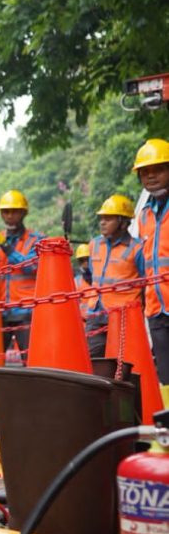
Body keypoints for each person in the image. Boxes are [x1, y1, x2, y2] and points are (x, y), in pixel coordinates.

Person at [0, 189, 43, 375]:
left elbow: (31, 267)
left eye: (14, 211)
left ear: (23, 213)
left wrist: (5, 246)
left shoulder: (36, 240)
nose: (10, 216)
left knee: (32, 361)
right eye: (5, 212)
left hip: (25, 309)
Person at [85, 195, 143, 357]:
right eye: (102, 218)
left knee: (123, 361)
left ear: (123, 223)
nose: (102, 222)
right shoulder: (94, 244)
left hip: (123, 315)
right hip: (96, 311)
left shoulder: (137, 249)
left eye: (108, 219)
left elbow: (146, 283)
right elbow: (91, 274)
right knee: (92, 359)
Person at [133, 139, 169, 400]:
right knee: (166, 375)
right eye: (145, 172)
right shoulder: (144, 214)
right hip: (156, 308)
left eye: (157, 169)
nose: (151, 176)